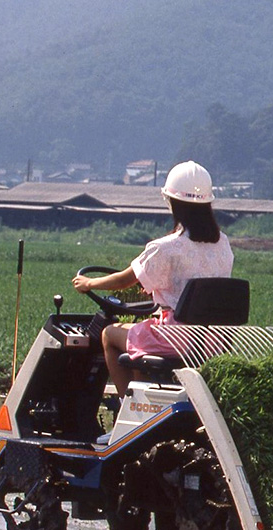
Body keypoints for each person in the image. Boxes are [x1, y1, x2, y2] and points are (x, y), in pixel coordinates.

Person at [71, 161, 233, 396]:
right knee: (140, 340)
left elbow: (124, 281)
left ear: (172, 203)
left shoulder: (165, 248)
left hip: (177, 338)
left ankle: (128, 406)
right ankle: (144, 402)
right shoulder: (222, 244)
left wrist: (89, 283)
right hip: (212, 340)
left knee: (109, 334)